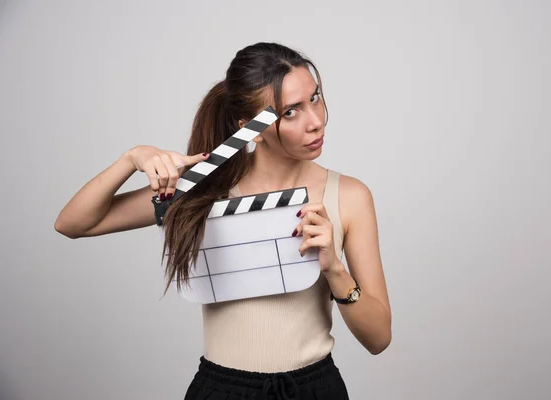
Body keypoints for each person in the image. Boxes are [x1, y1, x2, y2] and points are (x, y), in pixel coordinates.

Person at [55, 42, 391, 400]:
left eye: (316, 97)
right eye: (290, 112)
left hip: (314, 388)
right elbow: (74, 223)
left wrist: (335, 270)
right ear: (250, 128)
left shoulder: (349, 196)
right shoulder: (203, 190)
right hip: (223, 389)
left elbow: (378, 339)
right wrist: (130, 159)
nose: (316, 120)